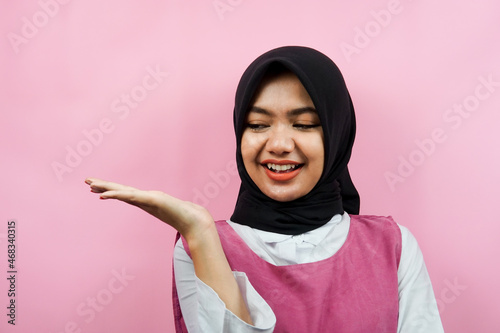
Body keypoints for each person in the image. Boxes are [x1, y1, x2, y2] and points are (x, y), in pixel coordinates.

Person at [86, 46, 444, 332]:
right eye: (258, 125)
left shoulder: (392, 247)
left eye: (304, 124)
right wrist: (199, 232)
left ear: (336, 135)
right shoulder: (200, 246)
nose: (279, 144)